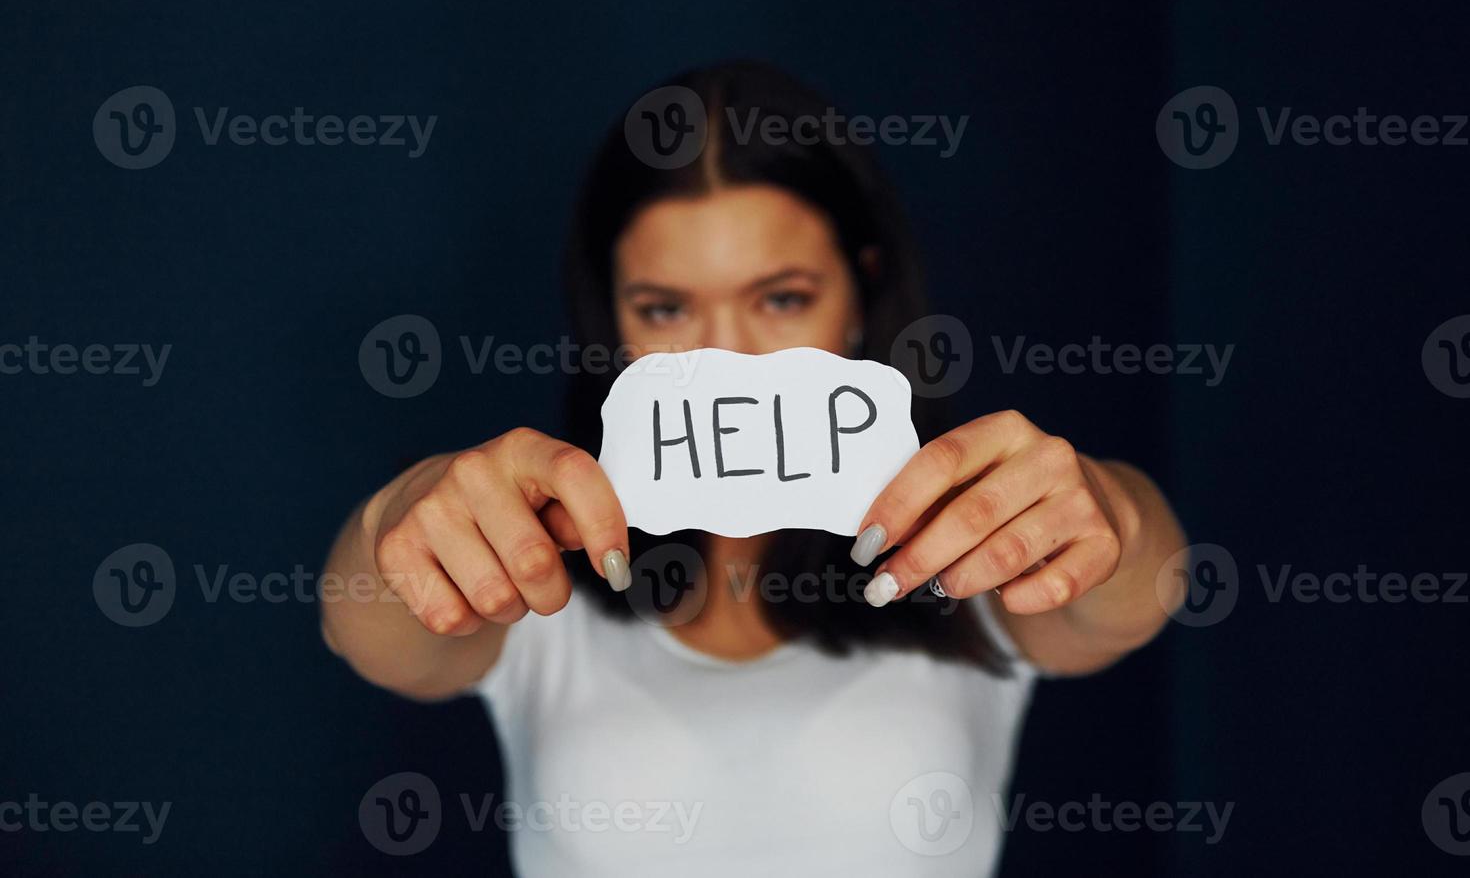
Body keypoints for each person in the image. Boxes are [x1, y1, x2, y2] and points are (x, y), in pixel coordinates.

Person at [321, 60, 1186, 877]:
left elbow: (1140, 591)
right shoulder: (534, 577)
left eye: (781, 299)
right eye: (666, 308)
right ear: (610, 321)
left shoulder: (975, 554)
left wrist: (1110, 505)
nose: (727, 356)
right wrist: (402, 510)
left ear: (861, 290)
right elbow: (374, 635)